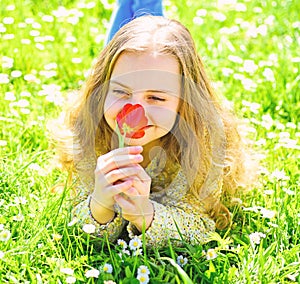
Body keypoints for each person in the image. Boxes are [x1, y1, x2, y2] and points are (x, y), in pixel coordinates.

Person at [51, 15, 256, 247]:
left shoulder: (202, 145)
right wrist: (100, 204)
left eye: (156, 97)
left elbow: (198, 225)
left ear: (185, 102)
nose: (133, 111)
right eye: (120, 92)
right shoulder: (91, 129)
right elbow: (77, 222)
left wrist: (144, 214)